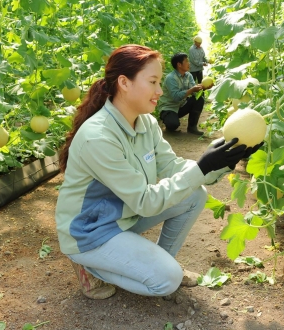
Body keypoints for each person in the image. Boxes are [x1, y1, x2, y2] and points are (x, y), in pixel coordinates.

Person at [55, 44, 262, 300]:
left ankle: (163, 262)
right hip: (90, 231)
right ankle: (90, 265)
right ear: (124, 83)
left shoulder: (147, 123)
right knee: (166, 281)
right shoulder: (98, 137)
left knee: (194, 194)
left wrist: (224, 162)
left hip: (123, 216)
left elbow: (175, 168)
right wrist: (201, 166)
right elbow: (145, 202)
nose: (160, 91)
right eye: (153, 82)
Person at [158, 52, 210, 135]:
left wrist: (203, 88)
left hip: (181, 106)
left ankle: (192, 128)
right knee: (173, 125)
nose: (189, 63)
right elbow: (176, 97)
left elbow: (194, 93)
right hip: (169, 108)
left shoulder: (188, 75)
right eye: (186, 61)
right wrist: (191, 90)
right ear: (179, 64)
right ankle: (168, 122)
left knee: (199, 99)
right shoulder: (171, 78)